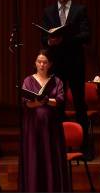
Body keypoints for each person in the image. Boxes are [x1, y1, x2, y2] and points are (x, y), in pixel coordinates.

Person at [41, 0, 91, 158]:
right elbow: (43, 36)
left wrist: (65, 39)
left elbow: (86, 35)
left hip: (75, 63)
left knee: (79, 104)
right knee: (58, 105)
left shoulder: (79, 10)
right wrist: (49, 40)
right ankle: (59, 147)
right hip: (57, 64)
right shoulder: (49, 11)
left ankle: (85, 148)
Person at [19, 49, 69, 191]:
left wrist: (46, 101)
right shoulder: (28, 80)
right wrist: (39, 103)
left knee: (50, 158)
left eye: (45, 62)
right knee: (34, 158)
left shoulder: (56, 81)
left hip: (51, 127)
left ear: (50, 64)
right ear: (35, 63)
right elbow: (26, 102)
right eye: (39, 62)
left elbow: (59, 100)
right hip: (33, 126)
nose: (42, 65)